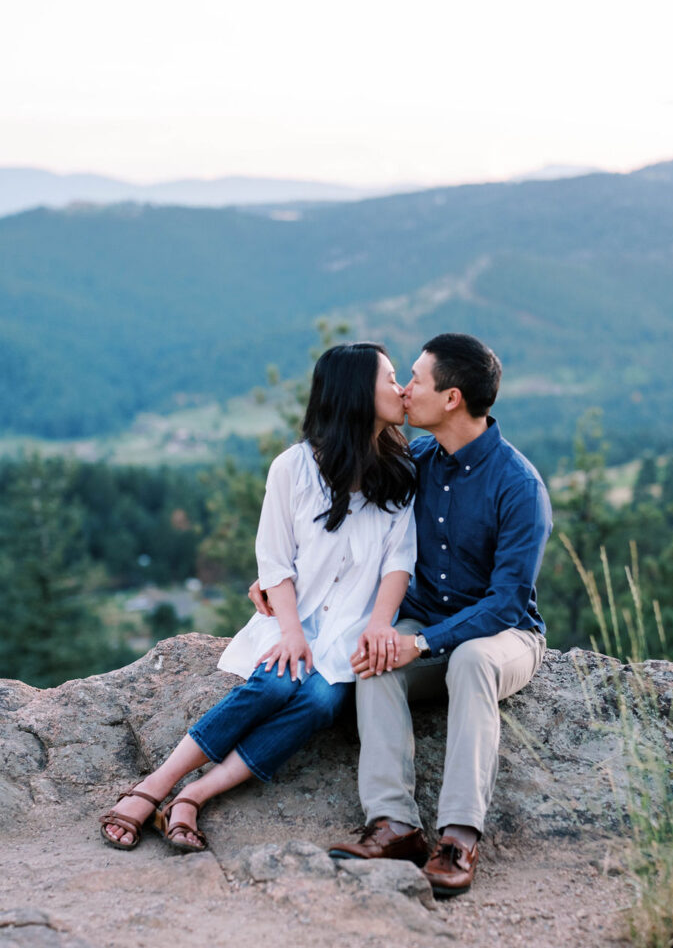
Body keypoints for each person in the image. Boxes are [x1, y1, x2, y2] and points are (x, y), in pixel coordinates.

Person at [99, 342, 416, 852]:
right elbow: (274, 562)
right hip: (293, 618)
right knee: (273, 685)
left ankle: (194, 796)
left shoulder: (402, 472)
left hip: (353, 634)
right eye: (391, 377)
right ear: (357, 391)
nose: (401, 388)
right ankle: (155, 785)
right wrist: (291, 631)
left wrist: (379, 625)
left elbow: (399, 563)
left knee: (317, 700)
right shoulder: (292, 468)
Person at [327, 333, 553, 897]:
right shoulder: (414, 461)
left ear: (451, 398)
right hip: (423, 628)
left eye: (416, 380)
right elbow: (344, 527)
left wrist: (422, 643)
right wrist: (277, 577)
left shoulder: (519, 486)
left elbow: (506, 603)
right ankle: (395, 824)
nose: (404, 389)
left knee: (472, 661)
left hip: (505, 637)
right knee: (373, 655)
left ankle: (458, 837)